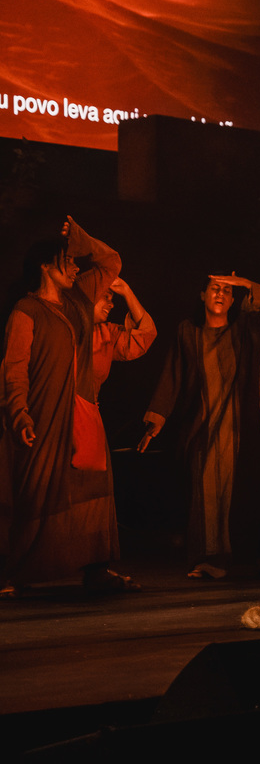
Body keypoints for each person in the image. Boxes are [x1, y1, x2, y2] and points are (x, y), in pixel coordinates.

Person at [2, 217, 137, 595]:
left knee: (93, 488)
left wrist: (80, 240)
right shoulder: (26, 310)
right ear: (46, 266)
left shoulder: (78, 299)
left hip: (81, 410)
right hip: (43, 415)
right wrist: (19, 412)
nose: (76, 268)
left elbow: (111, 262)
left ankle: (97, 569)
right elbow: (14, 368)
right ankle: (21, 573)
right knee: (40, 491)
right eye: (68, 261)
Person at [139, 274, 260, 579]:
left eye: (227, 291)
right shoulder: (188, 332)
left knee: (241, 491)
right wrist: (156, 420)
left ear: (233, 299)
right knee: (206, 491)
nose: (220, 294)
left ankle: (243, 559)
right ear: (203, 295)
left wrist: (246, 284)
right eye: (215, 289)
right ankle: (208, 558)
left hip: (240, 429)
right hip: (202, 426)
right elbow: (173, 373)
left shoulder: (244, 329)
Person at [92, 277, 157, 394]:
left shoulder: (106, 334)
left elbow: (144, 335)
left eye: (111, 299)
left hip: (86, 404)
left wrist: (127, 292)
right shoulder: (62, 325)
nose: (111, 305)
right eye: (106, 297)